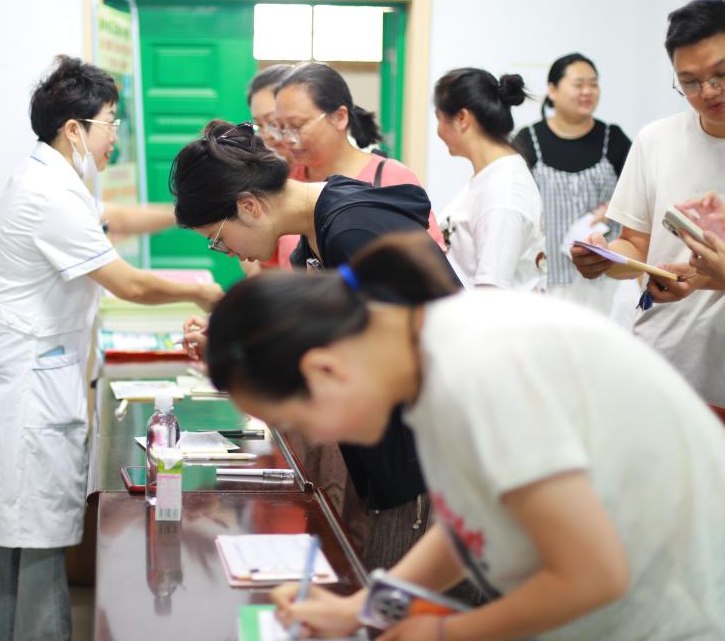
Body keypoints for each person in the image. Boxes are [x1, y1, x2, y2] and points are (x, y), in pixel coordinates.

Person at [202, 234, 725, 641]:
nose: (316, 437)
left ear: (324, 370)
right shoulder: (428, 358)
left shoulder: (473, 368)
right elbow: (467, 520)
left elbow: (593, 576)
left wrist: (446, 632)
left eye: (299, 421)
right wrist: (361, 609)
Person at [0, 56, 222, 640]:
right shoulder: (48, 194)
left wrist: (196, 213)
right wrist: (204, 292)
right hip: (26, 388)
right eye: (110, 124)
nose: (115, 138)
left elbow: (118, 217)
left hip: (30, 375)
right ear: (74, 129)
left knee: (16, 536)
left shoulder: (54, 178)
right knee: (33, 538)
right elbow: (128, 283)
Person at [170, 119, 461, 572]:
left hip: (428, 465)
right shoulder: (320, 229)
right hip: (406, 460)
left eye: (218, 239)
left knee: (397, 601)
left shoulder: (350, 232)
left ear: (249, 205)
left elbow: (407, 357)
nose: (228, 252)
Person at [570, 0, 725, 409]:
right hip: (665, 361)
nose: (709, 92)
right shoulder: (656, 141)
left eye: (721, 74)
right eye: (690, 82)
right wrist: (605, 257)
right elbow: (636, 246)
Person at [273, 62, 446, 250]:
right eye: (281, 128)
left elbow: (429, 259)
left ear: (340, 117)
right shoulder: (285, 182)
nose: (287, 139)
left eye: (297, 125)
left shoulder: (391, 178)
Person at [513, 53, 633, 314]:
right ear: (553, 90)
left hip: (604, 280)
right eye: (578, 84)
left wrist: (612, 209)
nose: (587, 91)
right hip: (545, 277)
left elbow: (638, 194)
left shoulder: (613, 139)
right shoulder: (529, 140)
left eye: (593, 84)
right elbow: (516, 201)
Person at [435, 68, 546, 291]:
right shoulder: (492, 177)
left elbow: (492, 293)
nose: (438, 130)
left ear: (462, 118)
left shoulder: (505, 191)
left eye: (439, 118)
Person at [246, 64, 299, 273]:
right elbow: (256, 266)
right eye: (259, 125)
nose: (267, 134)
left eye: (273, 122)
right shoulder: (266, 179)